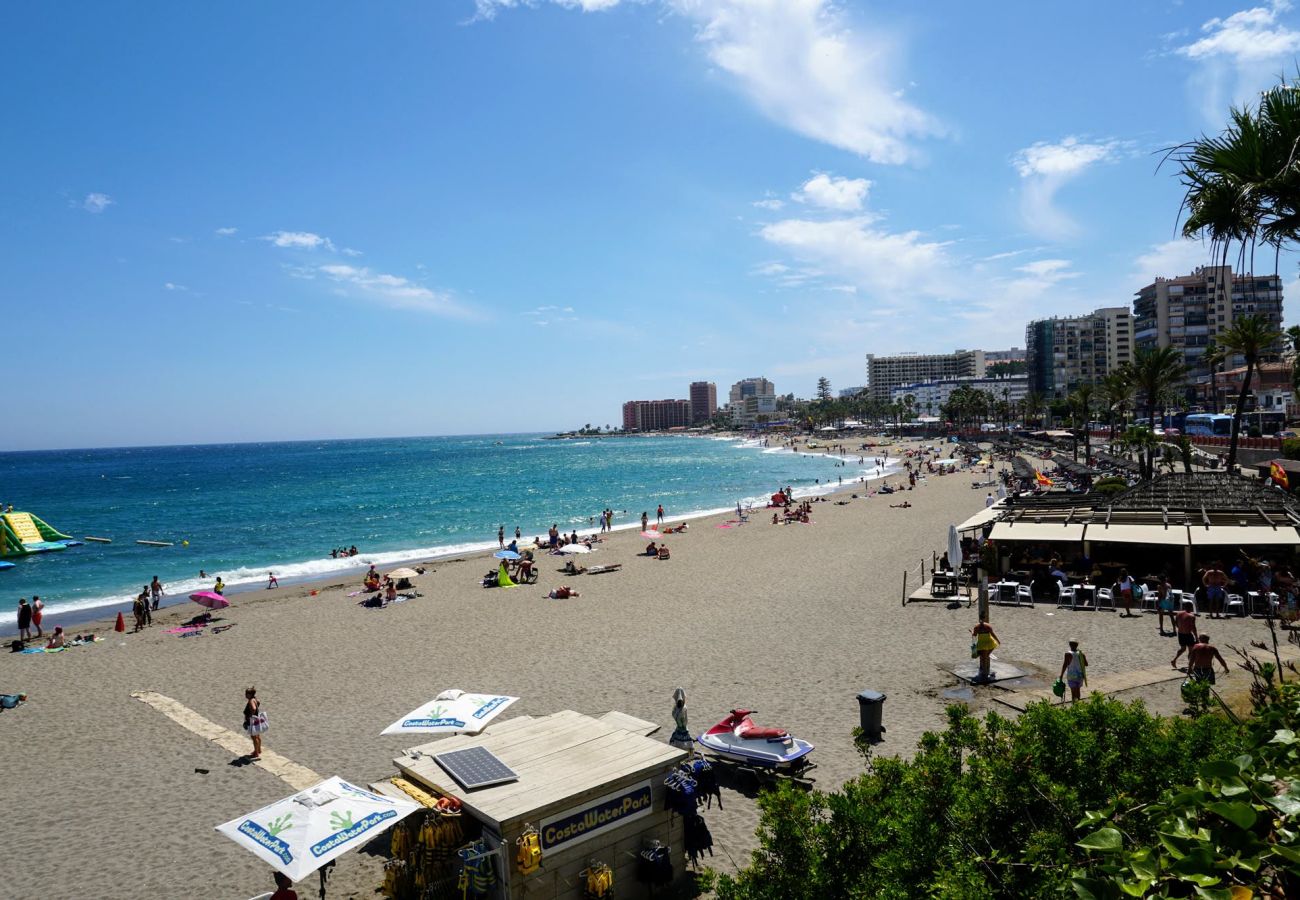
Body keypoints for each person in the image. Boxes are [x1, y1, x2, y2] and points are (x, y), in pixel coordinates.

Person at [1171, 601, 1199, 669]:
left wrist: (1181, 628)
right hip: (1188, 634)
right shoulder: (1192, 616)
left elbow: (1176, 623)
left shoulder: (1178, 614)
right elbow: (1193, 628)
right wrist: (1196, 637)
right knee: (1191, 650)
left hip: (1180, 634)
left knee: (1183, 649)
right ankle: (1190, 665)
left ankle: (1174, 660)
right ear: (1191, 607)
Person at [971, 617, 1000, 683]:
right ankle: (988, 654)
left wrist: (972, 632)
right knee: (987, 654)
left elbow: (974, 636)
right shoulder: (988, 626)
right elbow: (992, 634)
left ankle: (984, 673)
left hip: (982, 643)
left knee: (983, 658)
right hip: (989, 642)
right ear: (984, 620)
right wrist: (998, 640)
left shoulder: (976, 627)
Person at [243, 687, 264, 759]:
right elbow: (258, 702)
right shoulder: (255, 699)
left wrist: (250, 716)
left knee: (254, 737)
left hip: (252, 721)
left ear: (250, 694)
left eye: (246, 693)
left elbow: (254, 708)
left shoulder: (251, 701)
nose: (245, 695)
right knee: (257, 736)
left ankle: (256, 753)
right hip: (257, 720)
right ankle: (259, 750)